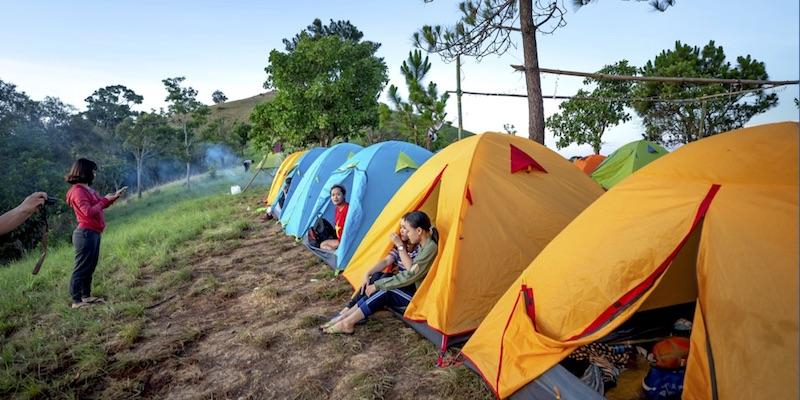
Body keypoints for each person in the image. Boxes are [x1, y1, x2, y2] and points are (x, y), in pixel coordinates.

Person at [323, 211, 438, 334]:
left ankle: (347, 322)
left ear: (419, 231)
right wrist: (369, 275)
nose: (405, 233)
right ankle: (346, 316)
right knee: (379, 279)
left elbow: (411, 274)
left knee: (385, 289)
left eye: (407, 230)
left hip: (419, 297)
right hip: (412, 287)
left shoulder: (429, 248)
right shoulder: (423, 244)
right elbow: (389, 262)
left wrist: (378, 285)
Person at [65, 158, 126, 309]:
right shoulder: (78, 191)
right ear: (85, 172)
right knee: (82, 267)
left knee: (90, 265)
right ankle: (76, 301)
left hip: (93, 232)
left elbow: (100, 204)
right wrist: (105, 200)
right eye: (93, 171)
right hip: (85, 234)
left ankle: (86, 296)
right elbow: (88, 212)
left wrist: (112, 198)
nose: (95, 174)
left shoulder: (86, 189)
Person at [319, 185, 349, 251]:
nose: (335, 197)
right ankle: (337, 253)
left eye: (338, 194)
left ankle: (339, 254)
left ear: (344, 195)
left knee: (324, 245)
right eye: (333, 195)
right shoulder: (337, 209)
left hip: (347, 241)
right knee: (323, 244)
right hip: (340, 240)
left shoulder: (348, 209)